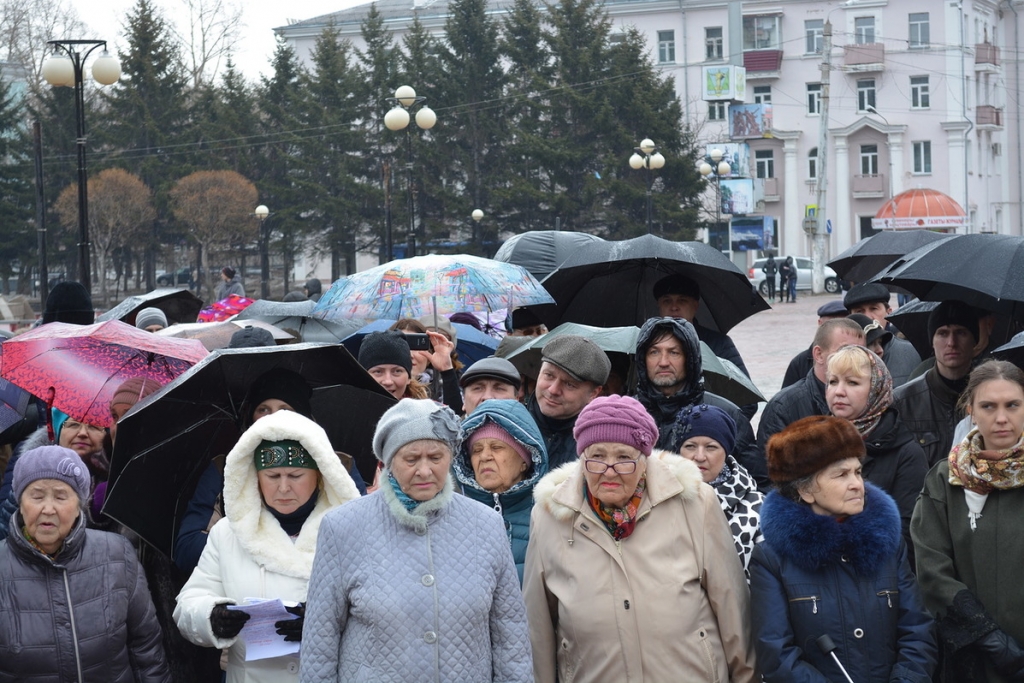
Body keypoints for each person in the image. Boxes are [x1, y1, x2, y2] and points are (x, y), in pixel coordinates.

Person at [523, 395, 757, 683]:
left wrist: (747, 678)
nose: (609, 470)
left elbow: (732, 605)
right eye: (596, 456)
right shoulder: (550, 515)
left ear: (645, 460)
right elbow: (538, 625)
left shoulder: (695, 502)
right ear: (581, 458)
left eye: (624, 457)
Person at [299, 399, 533, 682]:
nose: (424, 471)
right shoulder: (342, 527)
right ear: (386, 462)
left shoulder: (486, 524)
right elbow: (320, 642)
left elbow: (510, 635)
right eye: (411, 459)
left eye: (436, 458)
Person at [174, 410, 360, 683]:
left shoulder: (350, 532)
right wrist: (211, 617)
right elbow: (189, 602)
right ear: (256, 478)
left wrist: (325, 623)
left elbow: (379, 611)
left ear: (320, 475)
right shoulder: (228, 534)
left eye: (295, 475)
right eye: (272, 476)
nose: (283, 488)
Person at [751, 415, 936, 682]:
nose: (856, 484)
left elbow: (917, 631)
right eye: (841, 474)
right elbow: (777, 654)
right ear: (805, 490)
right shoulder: (772, 560)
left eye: (858, 472)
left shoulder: (887, 543)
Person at [0, 445, 171, 682]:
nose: (48, 509)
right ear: (20, 502)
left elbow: (146, 649)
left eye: (61, 496)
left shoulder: (117, 554)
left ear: (79, 504)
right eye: (37, 496)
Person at [174, 367, 367, 575]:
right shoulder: (225, 470)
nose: (273, 417)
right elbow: (187, 552)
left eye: (286, 409)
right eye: (263, 409)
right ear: (251, 417)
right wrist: (252, 539)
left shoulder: (339, 466)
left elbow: (362, 541)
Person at [912, 360, 1024, 682]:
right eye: (988, 406)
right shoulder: (946, 480)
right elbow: (932, 567)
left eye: (1012, 405)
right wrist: (987, 636)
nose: (1001, 418)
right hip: (971, 658)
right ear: (971, 410)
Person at [635, 316, 767, 488]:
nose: (663, 362)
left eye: (674, 352)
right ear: (643, 359)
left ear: (689, 359)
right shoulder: (629, 415)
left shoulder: (727, 414)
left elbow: (759, 482)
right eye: (654, 352)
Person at [825, 345, 928, 548]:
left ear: (876, 389)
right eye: (833, 381)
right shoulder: (811, 442)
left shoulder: (906, 452)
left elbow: (907, 532)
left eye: (852, 382)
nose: (839, 391)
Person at [454, 399, 547, 582]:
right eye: (476, 450)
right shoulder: (451, 515)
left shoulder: (548, 516)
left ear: (524, 460)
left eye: (497, 447)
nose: (485, 456)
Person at [671, 403, 763, 579]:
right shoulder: (659, 500)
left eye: (711, 447)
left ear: (726, 451)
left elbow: (767, 580)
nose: (699, 456)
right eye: (690, 446)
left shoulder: (757, 507)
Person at [757, 318, 865, 457]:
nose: (853, 359)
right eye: (844, 351)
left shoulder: (872, 399)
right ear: (819, 354)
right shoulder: (785, 407)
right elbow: (771, 471)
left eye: (860, 352)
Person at [894, 300, 981, 467]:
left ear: (974, 341)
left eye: (961, 332)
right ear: (932, 342)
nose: (951, 342)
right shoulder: (903, 401)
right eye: (942, 333)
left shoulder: (992, 398)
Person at [652, 273, 752, 387]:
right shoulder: (646, 344)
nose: (674, 307)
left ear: (695, 306)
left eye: (682, 300)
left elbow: (746, 399)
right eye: (667, 301)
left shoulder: (719, 344)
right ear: (659, 306)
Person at [527, 334, 610, 469]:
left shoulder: (599, 447)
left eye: (569, 384)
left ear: (593, 393)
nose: (553, 390)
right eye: (549, 375)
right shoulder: (508, 427)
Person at [844, 283, 921, 387]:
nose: (868, 317)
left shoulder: (912, 353)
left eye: (874, 309)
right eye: (859, 311)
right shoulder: (838, 356)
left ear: (888, 312)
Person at [780, 299, 850, 388]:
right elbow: (787, 397)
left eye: (844, 324)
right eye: (831, 324)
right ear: (820, 323)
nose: (838, 330)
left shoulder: (862, 357)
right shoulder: (800, 362)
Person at [357, 330, 428, 401]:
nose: (388, 381)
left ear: (409, 378)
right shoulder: (348, 410)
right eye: (378, 372)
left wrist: (439, 369)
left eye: (397, 371)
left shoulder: (430, 410)